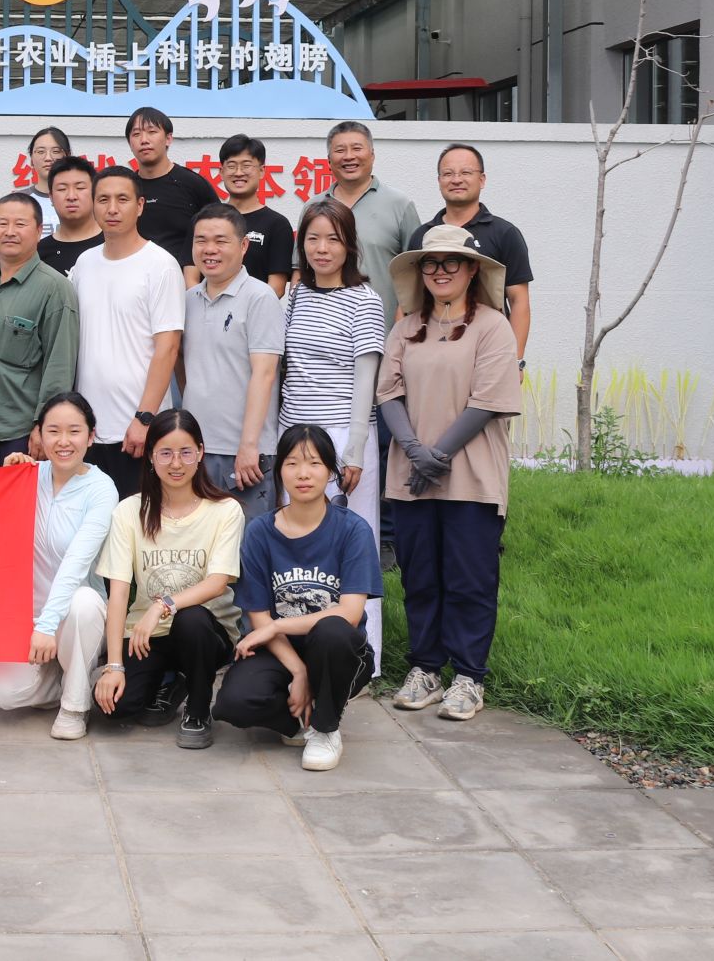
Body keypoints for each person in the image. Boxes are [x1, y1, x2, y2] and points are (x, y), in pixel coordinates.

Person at [379, 225, 521, 724]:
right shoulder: (405, 328)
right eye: (431, 263)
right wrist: (414, 451)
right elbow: (388, 393)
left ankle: (468, 676)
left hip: (472, 478)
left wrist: (434, 455)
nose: (440, 271)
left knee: (469, 579)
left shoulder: (492, 327)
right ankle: (425, 668)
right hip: (412, 476)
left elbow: (488, 399)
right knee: (420, 576)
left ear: (472, 269)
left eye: (451, 262)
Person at [213, 425, 381, 772]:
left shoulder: (353, 530)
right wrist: (299, 670)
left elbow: (349, 614)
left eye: (314, 463)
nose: (303, 474)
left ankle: (325, 729)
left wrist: (277, 626)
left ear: (330, 470)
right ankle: (303, 718)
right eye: (292, 463)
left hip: (339, 651)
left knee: (332, 629)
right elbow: (259, 617)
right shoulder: (260, 532)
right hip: (280, 651)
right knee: (233, 704)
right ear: (280, 472)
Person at [92, 409, 244, 750]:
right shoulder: (129, 511)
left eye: (185, 452)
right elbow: (118, 593)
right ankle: (171, 681)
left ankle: (198, 709)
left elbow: (218, 582)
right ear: (150, 456)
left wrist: (162, 605)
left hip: (206, 632)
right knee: (114, 708)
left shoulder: (225, 510)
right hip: (147, 635)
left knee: (191, 619)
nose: (176, 463)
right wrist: (114, 666)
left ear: (201, 452)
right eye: (165, 453)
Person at [279, 196, 387, 665]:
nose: (322, 249)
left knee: (354, 545)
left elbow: (366, 380)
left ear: (350, 246)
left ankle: (363, 656)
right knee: (299, 546)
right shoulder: (294, 297)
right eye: (313, 239)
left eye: (333, 239)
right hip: (294, 436)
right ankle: (302, 653)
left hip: (344, 437)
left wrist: (355, 451)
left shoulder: (365, 300)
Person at [0, 393, 117, 740]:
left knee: (82, 601)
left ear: (91, 436)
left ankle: (75, 705)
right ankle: (69, 679)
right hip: (27, 616)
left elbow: (76, 563)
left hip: (74, 617)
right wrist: (6, 483)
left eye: (74, 431)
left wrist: (47, 624)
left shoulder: (101, 489)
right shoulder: (28, 476)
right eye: (53, 431)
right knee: (1, 692)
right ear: (39, 435)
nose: (63, 441)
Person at [70, 166, 183, 492]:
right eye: (103, 199)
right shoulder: (84, 264)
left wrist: (145, 417)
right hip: (88, 430)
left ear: (140, 205)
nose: (112, 208)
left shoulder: (160, 264)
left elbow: (168, 348)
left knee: (141, 519)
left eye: (122, 199)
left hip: (138, 430)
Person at [180, 204, 284, 516]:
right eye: (201, 240)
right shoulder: (187, 300)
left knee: (246, 542)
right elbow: (183, 367)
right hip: (195, 449)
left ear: (243, 246)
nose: (209, 249)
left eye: (221, 241)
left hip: (244, 454)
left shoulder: (260, 297)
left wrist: (250, 445)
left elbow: (265, 374)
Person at [0, 193, 78, 469]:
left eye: (20, 224)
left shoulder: (54, 288)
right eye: (2, 223)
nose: (10, 232)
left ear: (39, 231)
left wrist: (45, 426)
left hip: (21, 434)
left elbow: (59, 366)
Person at [408, 144, 535, 361]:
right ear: (439, 181)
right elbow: (408, 302)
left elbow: (519, 301)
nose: (456, 180)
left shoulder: (504, 233)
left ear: (482, 180)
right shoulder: (423, 236)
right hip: (431, 351)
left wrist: (515, 360)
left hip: (489, 349)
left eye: (466, 172)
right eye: (448, 173)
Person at [310, 121, 422, 327]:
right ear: (329, 160)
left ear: (372, 155)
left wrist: (403, 323)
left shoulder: (400, 205)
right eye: (340, 150)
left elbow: (416, 270)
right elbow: (301, 269)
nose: (348, 156)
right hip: (324, 334)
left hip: (384, 332)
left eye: (357, 148)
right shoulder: (314, 206)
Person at [126, 107, 219, 283]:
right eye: (136, 134)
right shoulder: (126, 189)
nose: (144, 140)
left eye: (152, 132)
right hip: (135, 283)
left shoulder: (193, 184)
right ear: (130, 143)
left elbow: (218, 232)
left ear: (168, 138)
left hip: (186, 285)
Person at [218, 134, 295, 297]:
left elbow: (277, 287)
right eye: (231, 166)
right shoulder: (207, 220)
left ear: (261, 171)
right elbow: (192, 276)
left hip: (255, 310)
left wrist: (241, 308)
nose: (238, 173)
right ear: (221, 172)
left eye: (246, 166)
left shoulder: (277, 224)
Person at [37, 155, 102, 276]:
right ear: (51, 197)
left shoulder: (113, 244)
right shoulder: (38, 254)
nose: (71, 196)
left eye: (80, 188)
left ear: (95, 193)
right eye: (62, 189)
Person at [25, 126, 71, 236]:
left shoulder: (81, 199)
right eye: (41, 152)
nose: (48, 158)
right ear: (31, 159)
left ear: (68, 156)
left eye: (55, 151)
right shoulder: (20, 200)